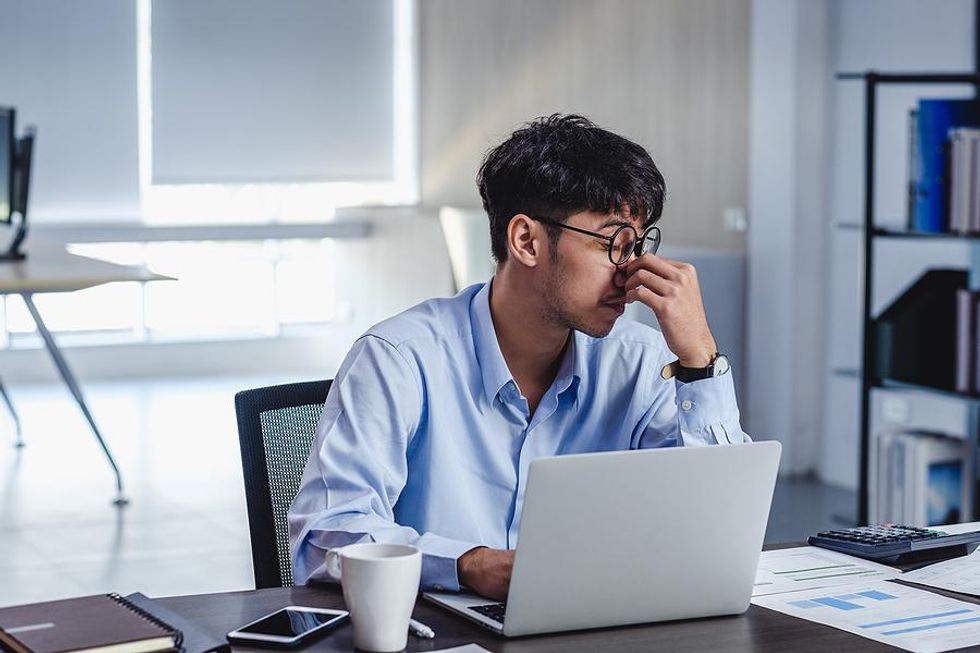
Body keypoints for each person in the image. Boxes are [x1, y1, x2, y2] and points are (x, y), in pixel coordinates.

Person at [288, 114, 749, 601]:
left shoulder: (639, 361)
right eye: (613, 243)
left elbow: (718, 530)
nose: (631, 270)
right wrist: (466, 564)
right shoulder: (399, 358)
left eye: (637, 245)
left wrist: (700, 359)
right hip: (439, 632)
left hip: (591, 625)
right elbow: (326, 536)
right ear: (526, 241)